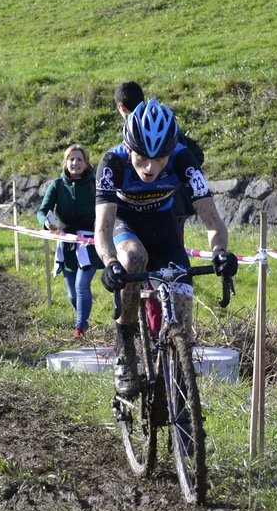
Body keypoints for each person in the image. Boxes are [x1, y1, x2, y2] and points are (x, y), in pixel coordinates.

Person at [94, 99, 237, 398]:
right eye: (143, 157)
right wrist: (110, 263)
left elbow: (213, 220)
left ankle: (178, 387)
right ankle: (125, 345)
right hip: (125, 223)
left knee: (182, 315)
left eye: (160, 158)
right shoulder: (112, 163)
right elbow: (103, 230)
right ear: (128, 147)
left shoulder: (184, 159)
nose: (150, 167)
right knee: (133, 257)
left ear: (171, 151)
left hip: (163, 226)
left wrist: (220, 252)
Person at [114, 80, 205, 237]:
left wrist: (169, 175)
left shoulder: (146, 128)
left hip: (167, 202)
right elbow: (197, 153)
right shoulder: (162, 122)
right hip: (173, 202)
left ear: (121, 107)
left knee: (168, 246)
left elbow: (195, 155)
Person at [37, 145, 103, 341]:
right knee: (72, 294)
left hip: (90, 243)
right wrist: (46, 222)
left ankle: (79, 329)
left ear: (86, 163)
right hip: (67, 243)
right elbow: (42, 210)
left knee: (82, 286)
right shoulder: (57, 185)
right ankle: (84, 320)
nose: (75, 163)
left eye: (79, 159)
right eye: (71, 159)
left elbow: (107, 208)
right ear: (65, 163)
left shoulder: (95, 184)